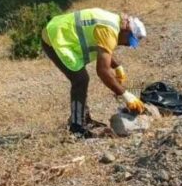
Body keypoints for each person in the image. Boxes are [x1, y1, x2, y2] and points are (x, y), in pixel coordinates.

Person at [42, 8, 148, 137]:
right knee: (80, 80)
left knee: (81, 79)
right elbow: (102, 71)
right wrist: (126, 95)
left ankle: (84, 118)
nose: (126, 44)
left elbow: (103, 49)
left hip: (61, 33)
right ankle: (76, 127)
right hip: (55, 38)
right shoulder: (109, 30)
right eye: (129, 40)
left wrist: (117, 66)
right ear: (126, 29)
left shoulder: (114, 23)